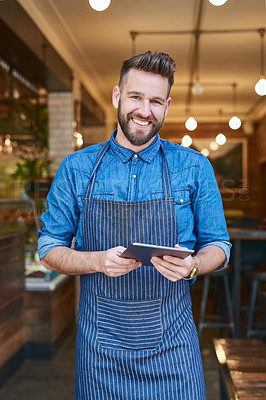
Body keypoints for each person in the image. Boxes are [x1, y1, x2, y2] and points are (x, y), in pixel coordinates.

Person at [38, 51, 231, 399]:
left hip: (173, 348)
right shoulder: (77, 168)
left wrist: (194, 265)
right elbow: (48, 249)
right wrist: (97, 261)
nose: (145, 110)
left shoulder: (194, 167)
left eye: (155, 100)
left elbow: (219, 244)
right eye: (135, 97)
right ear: (117, 96)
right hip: (101, 350)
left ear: (167, 106)